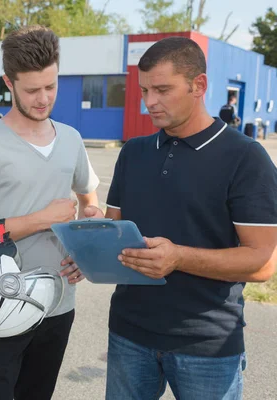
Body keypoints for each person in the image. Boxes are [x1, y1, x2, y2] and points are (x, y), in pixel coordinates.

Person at [96, 36, 277, 399]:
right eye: (144, 90)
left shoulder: (246, 158)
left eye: (162, 90)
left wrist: (178, 257)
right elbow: (114, 230)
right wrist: (91, 232)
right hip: (128, 333)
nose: (149, 103)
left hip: (207, 344)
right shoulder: (133, 152)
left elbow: (263, 262)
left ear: (199, 85)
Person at [0, 25, 103, 400]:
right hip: (1, 306)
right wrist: (40, 219)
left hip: (59, 305)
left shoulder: (71, 139)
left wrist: (87, 244)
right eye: (32, 90)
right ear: (9, 82)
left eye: (50, 87)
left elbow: (90, 200)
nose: (43, 98)